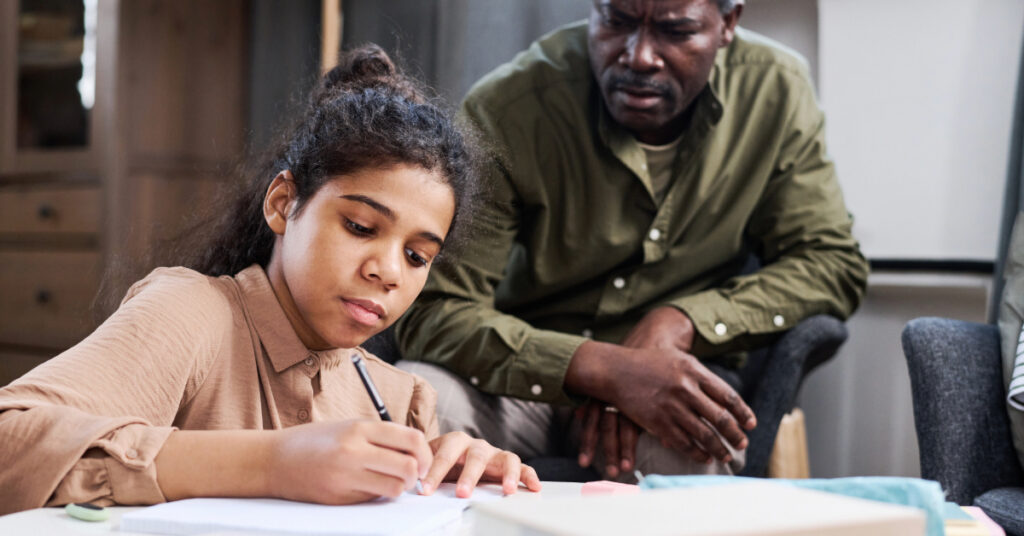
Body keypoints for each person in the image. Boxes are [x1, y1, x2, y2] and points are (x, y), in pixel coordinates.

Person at [0, 45, 541, 516]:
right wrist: (274, 462)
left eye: (418, 256)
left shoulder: (401, 399)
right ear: (284, 204)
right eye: (359, 226)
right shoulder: (191, 314)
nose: (388, 271)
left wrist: (463, 477)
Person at [394, 0, 869, 481]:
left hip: (673, 379)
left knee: (682, 461)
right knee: (417, 408)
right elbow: (438, 308)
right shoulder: (511, 106)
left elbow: (831, 262)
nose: (639, 56)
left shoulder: (775, 90)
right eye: (616, 21)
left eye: (675, 30)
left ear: (727, 24)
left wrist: (679, 323)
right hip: (516, 373)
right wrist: (602, 369)